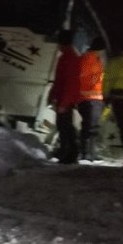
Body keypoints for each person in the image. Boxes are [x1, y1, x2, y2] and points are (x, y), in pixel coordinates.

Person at [47, 29, 81, 164]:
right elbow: (60, 81)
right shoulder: (68, 57)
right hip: (63, 98)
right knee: (64, 125)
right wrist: (53, 95)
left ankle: (70, 153)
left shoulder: (69, 58)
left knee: (65, 126)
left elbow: (69, 83)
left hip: (65, 99)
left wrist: (63, 103)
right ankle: (68, 152)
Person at [77, 37, 107, 161]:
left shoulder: (82, 58)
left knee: (86, 126)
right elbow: (93, 79)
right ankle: (90, 153)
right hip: (93, 98)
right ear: (100, 49)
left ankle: (85, 152)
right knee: (92, 128)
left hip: (82, 98)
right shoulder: (94, 61)